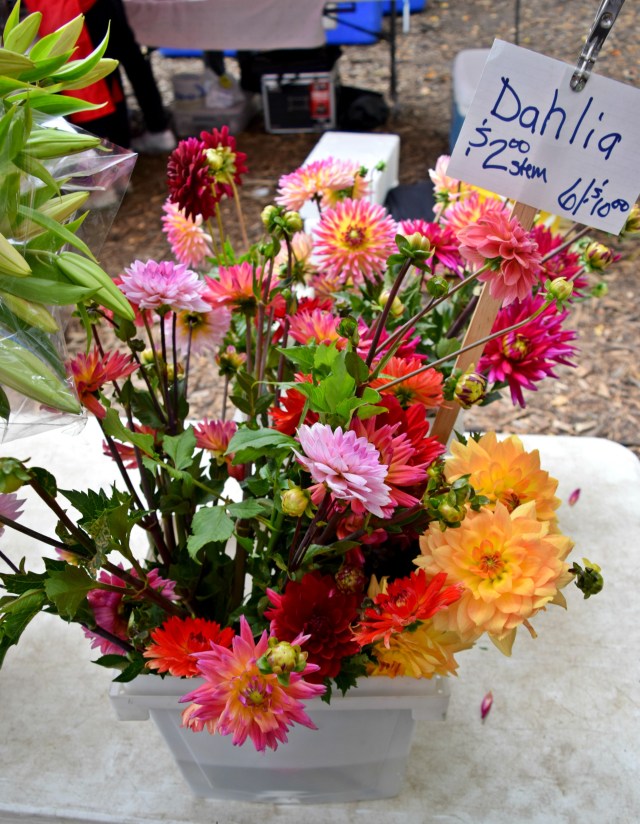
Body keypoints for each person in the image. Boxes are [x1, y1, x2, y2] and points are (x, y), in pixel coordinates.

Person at [24, 0, 176, 153]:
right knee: (121, 62)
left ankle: (120, 148)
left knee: (100, 77)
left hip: (75, 10)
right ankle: (149, 132)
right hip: (83, 8)